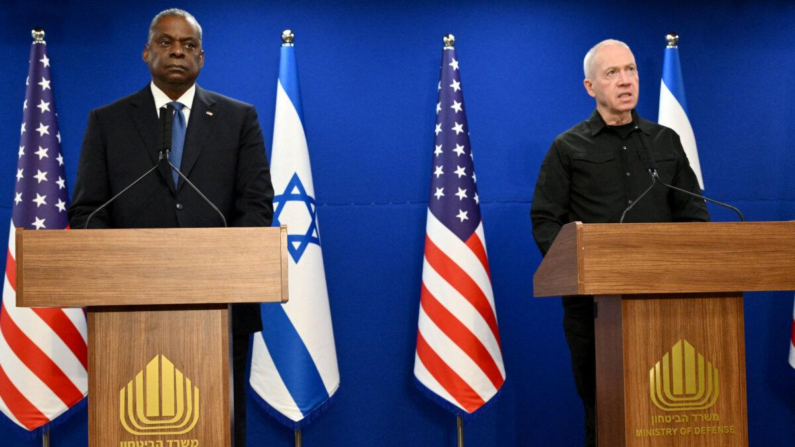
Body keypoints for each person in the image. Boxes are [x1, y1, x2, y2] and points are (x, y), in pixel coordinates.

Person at [68, 9, 273, 447]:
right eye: (165, 42)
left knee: (223, 428)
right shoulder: (108, 122)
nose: (177, 50)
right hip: (126, 312)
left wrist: (217, 268)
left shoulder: (239, 120)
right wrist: (126, 272)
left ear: (202, 57)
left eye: (188, 44)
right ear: (146, 52)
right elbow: (88, 211)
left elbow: (255, 207)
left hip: (221, 306)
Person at [530, 39, 709, 447]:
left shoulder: (665, 141)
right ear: (590, 86)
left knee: (667, 409)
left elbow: (694, 215)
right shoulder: (567, 148)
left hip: (664, 306)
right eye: (612, 74)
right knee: (604, 408)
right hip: (594, 310)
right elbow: (545, 220)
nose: (625, 81)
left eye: (631, 70)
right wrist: (579, 271)